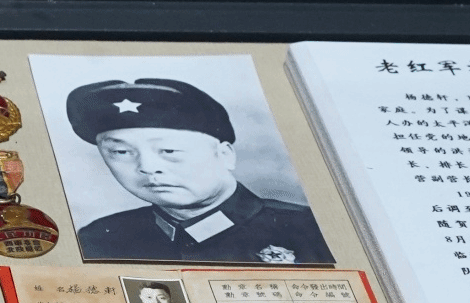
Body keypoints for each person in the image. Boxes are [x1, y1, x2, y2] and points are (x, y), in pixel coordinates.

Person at [66, 78, 334, 264]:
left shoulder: (312, 229)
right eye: (121, 152)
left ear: (225, 155)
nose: (147, 167)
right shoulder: (100, 237)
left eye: (169, 150)